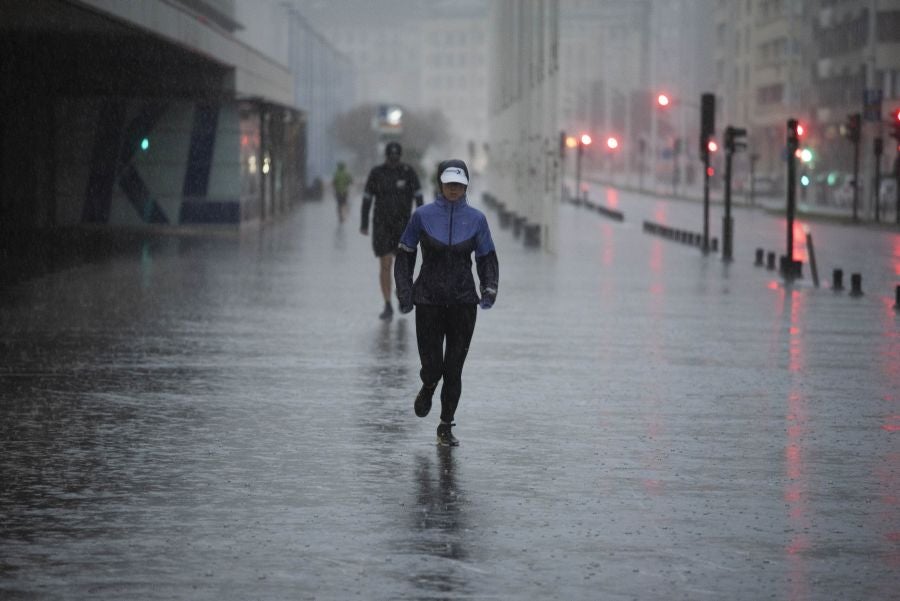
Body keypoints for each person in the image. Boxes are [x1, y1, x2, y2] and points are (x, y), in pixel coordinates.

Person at [394, 159, 499, 446]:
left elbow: (486, 257)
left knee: (454, 368)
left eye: (459, 184)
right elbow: (405, 254)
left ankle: (445, 425)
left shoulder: (477, 220)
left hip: (463, 303)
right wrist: (404, 292)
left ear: (466, 186)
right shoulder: (422, 216)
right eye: (449, 183)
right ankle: (428, 384)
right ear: (440, 184)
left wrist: (489, 288)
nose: (454, 189)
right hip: (428, 301)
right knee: (433, 366)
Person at [360, 141, 423, 320]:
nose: (393, 161)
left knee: (402, 266)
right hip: (382, 225)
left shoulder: (408, 172)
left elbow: (419, 197)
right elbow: (367, 198)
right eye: (390, 157)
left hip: (403, 225)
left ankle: (401, 293)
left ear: (400, 156)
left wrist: (423, 223)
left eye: (396, 157)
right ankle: (387, 304)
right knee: (385, 263)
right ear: (386, 156)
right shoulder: (377, 173)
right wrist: (364, 223)